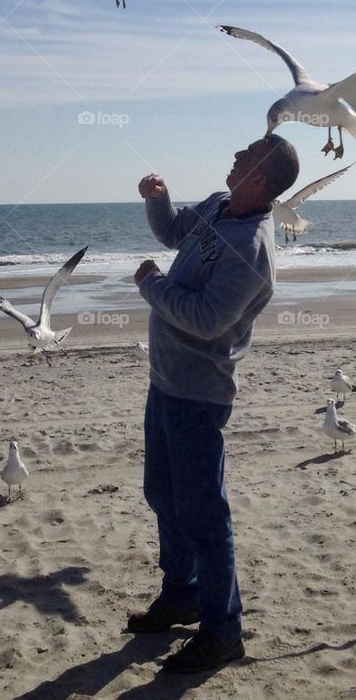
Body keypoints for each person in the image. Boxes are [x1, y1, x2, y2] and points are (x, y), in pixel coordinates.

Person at [128, 135, 300, 674]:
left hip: (199, 394)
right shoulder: (219, 205)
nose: (234, 156)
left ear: (263, 178)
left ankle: (223, 631)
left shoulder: (253, 252)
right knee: (163, 493)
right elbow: (174, 231)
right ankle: (181, 595)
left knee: (204, 514)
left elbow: (205, 319)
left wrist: (152, 284)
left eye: (246, 155)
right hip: (166, 380)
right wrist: (159, 199)